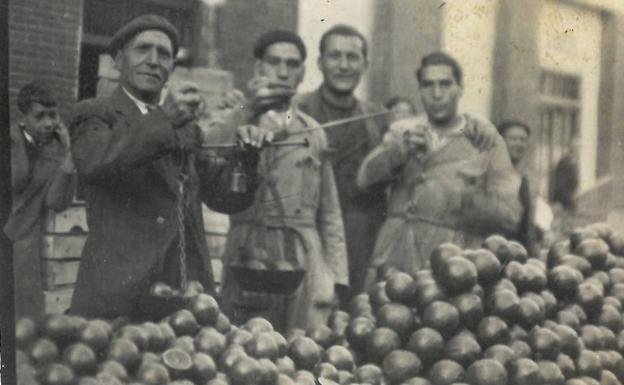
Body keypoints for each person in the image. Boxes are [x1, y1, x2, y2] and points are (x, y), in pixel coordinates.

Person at [67, 15, 270, 319]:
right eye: (142, 50)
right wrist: (164, 118)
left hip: (182, 291)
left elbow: (224, 199)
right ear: (117, 61)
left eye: (163, 54)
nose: (153, 61)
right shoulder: (93, 114)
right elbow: (95, 163)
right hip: (118, 292)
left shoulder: (185, 126)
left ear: (172, 68)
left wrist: (246, 158)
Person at [219, 30, 348, 331]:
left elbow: (330, 212)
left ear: (302, 72)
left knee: (301, 349)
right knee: (243, 346)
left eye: (292, 64)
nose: (282, 71)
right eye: (274, 62)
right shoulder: (237, 118)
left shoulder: (314, 131)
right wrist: (243, 114)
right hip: (248, 253)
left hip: (303, 256)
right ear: (258, 69)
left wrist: (337, 276)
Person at [357, 52, 522, 278]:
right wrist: (397, 154)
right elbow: (364, 180)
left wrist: (461, 197)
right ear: (420, 90)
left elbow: (510, 215)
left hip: (453, 261)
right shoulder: (402, 131)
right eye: (428, 85)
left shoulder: (483, 139)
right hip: (396, 256)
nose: (437, 94)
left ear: (461, 88)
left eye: (445, 84)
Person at [296, 24, 386, 300]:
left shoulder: (379, 119)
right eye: (335, 56)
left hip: (360, 243)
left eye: (352, 57)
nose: (344, 65)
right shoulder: (296, 111)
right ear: (321, 63)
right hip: (306, 239)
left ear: (365, 64)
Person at [4, 81, 76, 320]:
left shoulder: (55, 151)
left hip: (23, 247)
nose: (48, 124)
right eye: (40, 117)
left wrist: (67, 158)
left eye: (53, 116)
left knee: (23, 324)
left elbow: (56, 202)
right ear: (22, 118)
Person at [497, 120, 542, 255]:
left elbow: (526, 227)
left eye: (523, 139)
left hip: (514, 255)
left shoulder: (523, 180)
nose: (519, 144)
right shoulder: (489, 174)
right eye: (513, 139)